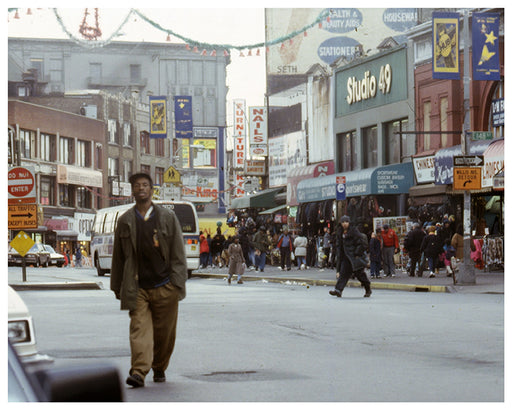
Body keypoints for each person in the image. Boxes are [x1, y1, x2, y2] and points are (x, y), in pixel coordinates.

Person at [110, 172, 187, 388]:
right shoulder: (125, 220)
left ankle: (159, 366)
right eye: (136, 185)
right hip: (138, 288)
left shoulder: (167, 217)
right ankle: (138, 372)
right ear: (132, 191)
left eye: (145, 185)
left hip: (165, 286)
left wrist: (177, 284)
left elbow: (178, 253)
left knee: (164, 334)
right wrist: (117, 286)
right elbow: (118, 257)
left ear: (151, 190)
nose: (141, 188)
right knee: (139, 330)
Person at [329, 216, 371, 298]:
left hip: (355, 258)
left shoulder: (354, 231)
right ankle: (338, 290)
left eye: (346, 222)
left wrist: (357, 253)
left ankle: (368, 288)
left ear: (349, 222)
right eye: (343, 222)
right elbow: (339, 247)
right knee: (343, 274)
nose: (344, 224)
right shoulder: (340, 233)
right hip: (346, 257)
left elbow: (362, 243)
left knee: (360, 275)